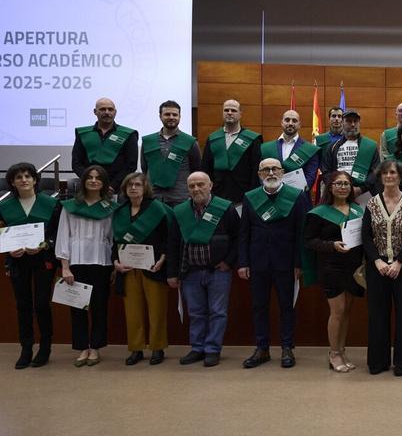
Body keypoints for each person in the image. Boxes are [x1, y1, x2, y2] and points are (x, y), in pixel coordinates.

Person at [238, 158, 308, 369]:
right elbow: (244, 233)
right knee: (259, 307)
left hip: (286, 262)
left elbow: (301, 233)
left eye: (274, 169)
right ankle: (262, 349)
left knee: (287, 307)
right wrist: (243, 262)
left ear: (282, 172)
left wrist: (299, 263)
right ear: (259, 174)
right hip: (257, 262)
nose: (270, 173)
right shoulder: (250, 198)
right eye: (265, 170)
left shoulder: (297, 197)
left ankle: (287, 348)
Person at [167, 172, 241, 368]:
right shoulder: (180, 211)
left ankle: (212, 350)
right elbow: (173, 243)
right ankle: (197, 348)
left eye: (200, 184)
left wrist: (229, 262)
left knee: (218, 312)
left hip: (219, 271)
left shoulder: (225, 208)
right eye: (191, 186)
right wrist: (172, 273)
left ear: (210, 186)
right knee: (196, 313)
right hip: (190, 271)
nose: (196, 189)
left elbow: (238, 238)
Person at [362, 160, 402, 376]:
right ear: (380, 176)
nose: (389, 176)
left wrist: (399, 262)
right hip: (377, 267)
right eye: (386, 173)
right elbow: (366, 236)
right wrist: (377, 261)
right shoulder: (371, 204)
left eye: (393, 173)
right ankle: (378, 362)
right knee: (377, 314)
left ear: (401, 176)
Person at [0, 162, 61, 369]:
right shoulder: (4, 208)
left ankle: (45, 347)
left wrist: (44, 245)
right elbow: (3, 235)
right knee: (22, 305)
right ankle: (26, 348)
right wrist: (9, 250)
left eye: (27, 176)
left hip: (43, 259)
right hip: (17, 261)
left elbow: (56, 234)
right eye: (19, 177)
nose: (24, 180)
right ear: (12, 182)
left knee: (42, 304)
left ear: (35, 179)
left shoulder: (51, 204)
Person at [55, 165, 117, 367]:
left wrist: (114, 265)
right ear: (83, 181)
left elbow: (112, 237)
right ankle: (83, 347)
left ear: (103, 182)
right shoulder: (70, 206)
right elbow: (63, 236)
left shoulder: (110, 207)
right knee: (77, 308)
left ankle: (96, 347)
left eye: (98, 178)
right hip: (77, 262)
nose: (93, 181)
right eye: (89, 177)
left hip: (101, 262)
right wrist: (65, 266)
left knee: (99, 307)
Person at [304, 171, 365, 373]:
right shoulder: (319, 212)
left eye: (346, 184)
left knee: (347, 310)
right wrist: (332, 245)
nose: (342, 187)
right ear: (330, 187)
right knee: (337, 311)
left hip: (353, 267)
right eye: (338, 183)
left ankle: (342, 349)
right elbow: (310, 241)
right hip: (332, 266)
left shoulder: (358, 210)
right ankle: (333, 353)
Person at [111, 172, 173, 366]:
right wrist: (115, 262)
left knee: (157, 310)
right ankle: (136, 349)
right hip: (127, 269)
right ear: (124, 189)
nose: (133, 188)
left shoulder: (158, 209)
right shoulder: (119, 211)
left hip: (153, 267)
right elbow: (114, 242)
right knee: (133, 311)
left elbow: (168, 238)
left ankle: (157, 348)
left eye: (137, 184)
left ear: (144, 187)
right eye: (129, 185)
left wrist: (163, 259)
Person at [201, 99, 263, 207]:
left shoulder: (252, 139)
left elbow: (256, 170)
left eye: (233, 110)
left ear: (240, 114)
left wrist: (252, 196)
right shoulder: (213, 138)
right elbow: (206, 168)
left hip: (243, 197)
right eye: (226, 110)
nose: (229, 112)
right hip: (217, 195)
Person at [72, 97, 138, 194]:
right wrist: (90, 181)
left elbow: (131, 165)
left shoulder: (129, 134)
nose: (107, 112)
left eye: (110, 109)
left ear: (115, 112)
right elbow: (76, 163)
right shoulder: (83, 134)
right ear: (95, 112)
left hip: (117, 189)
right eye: (102, 109)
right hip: (89, 188)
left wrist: (112, 185)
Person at [141, 100, 201, 206]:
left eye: (175, 114)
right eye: (167, 114)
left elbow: (196, 170)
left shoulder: (190, 142)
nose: (171, 117)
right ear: (160, 116)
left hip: (180, 198)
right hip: (153, 197)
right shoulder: (148, 141)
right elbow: (145, 168)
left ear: (179, 117)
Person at [320, 109, 379, 202]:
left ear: (359, 123)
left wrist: (361, 189)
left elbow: (375, 171)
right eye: (348, 121)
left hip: (363, 194)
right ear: (342, 123)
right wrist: (335, 187)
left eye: (355, 121)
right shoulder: (332, 146)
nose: (352, 124)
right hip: (337, 193)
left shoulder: (370, 146)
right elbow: (326, 171)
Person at [261, 109, 320, 195]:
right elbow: (261, 173)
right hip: (271, 196)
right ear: (282, 123)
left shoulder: (309, 149)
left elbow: (310, 177)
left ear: (299, 125)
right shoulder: (267, 148)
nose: (290, 123)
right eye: (287, 120)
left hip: (298, 198)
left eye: (294, 121)